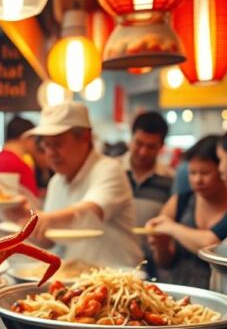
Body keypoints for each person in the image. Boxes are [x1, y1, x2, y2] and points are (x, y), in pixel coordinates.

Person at [14, 102, 142, 267]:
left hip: (118, 276)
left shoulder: (109, 169)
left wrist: (46, 218)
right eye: (46, 145)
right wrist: (21, 220)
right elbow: (50, 241)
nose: (51, 153)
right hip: (76, 279)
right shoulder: (56, 182)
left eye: (58, 143)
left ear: (85, 138)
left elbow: (90, 212)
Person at [147, 136, 227, 288]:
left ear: (222, 169)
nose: (197, 180)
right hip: (180, 292)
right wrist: (161, 246)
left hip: (225, 291)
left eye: (205, 173)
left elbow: (212, 245)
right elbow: (164, 262)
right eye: (192, 173)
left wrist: (172, 228)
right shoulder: (179, 202)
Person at [127, 112, 174, 226]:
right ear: (131, 138)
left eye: (151, 147)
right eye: (139, 143)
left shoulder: (170, 179)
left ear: (161, 146)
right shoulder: (112, 171)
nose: (143, 152)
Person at [0, 116, 40, 197]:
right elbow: (32, 201)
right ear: (25, 138)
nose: (34, 143)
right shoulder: (22, 165)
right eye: (33, 138)